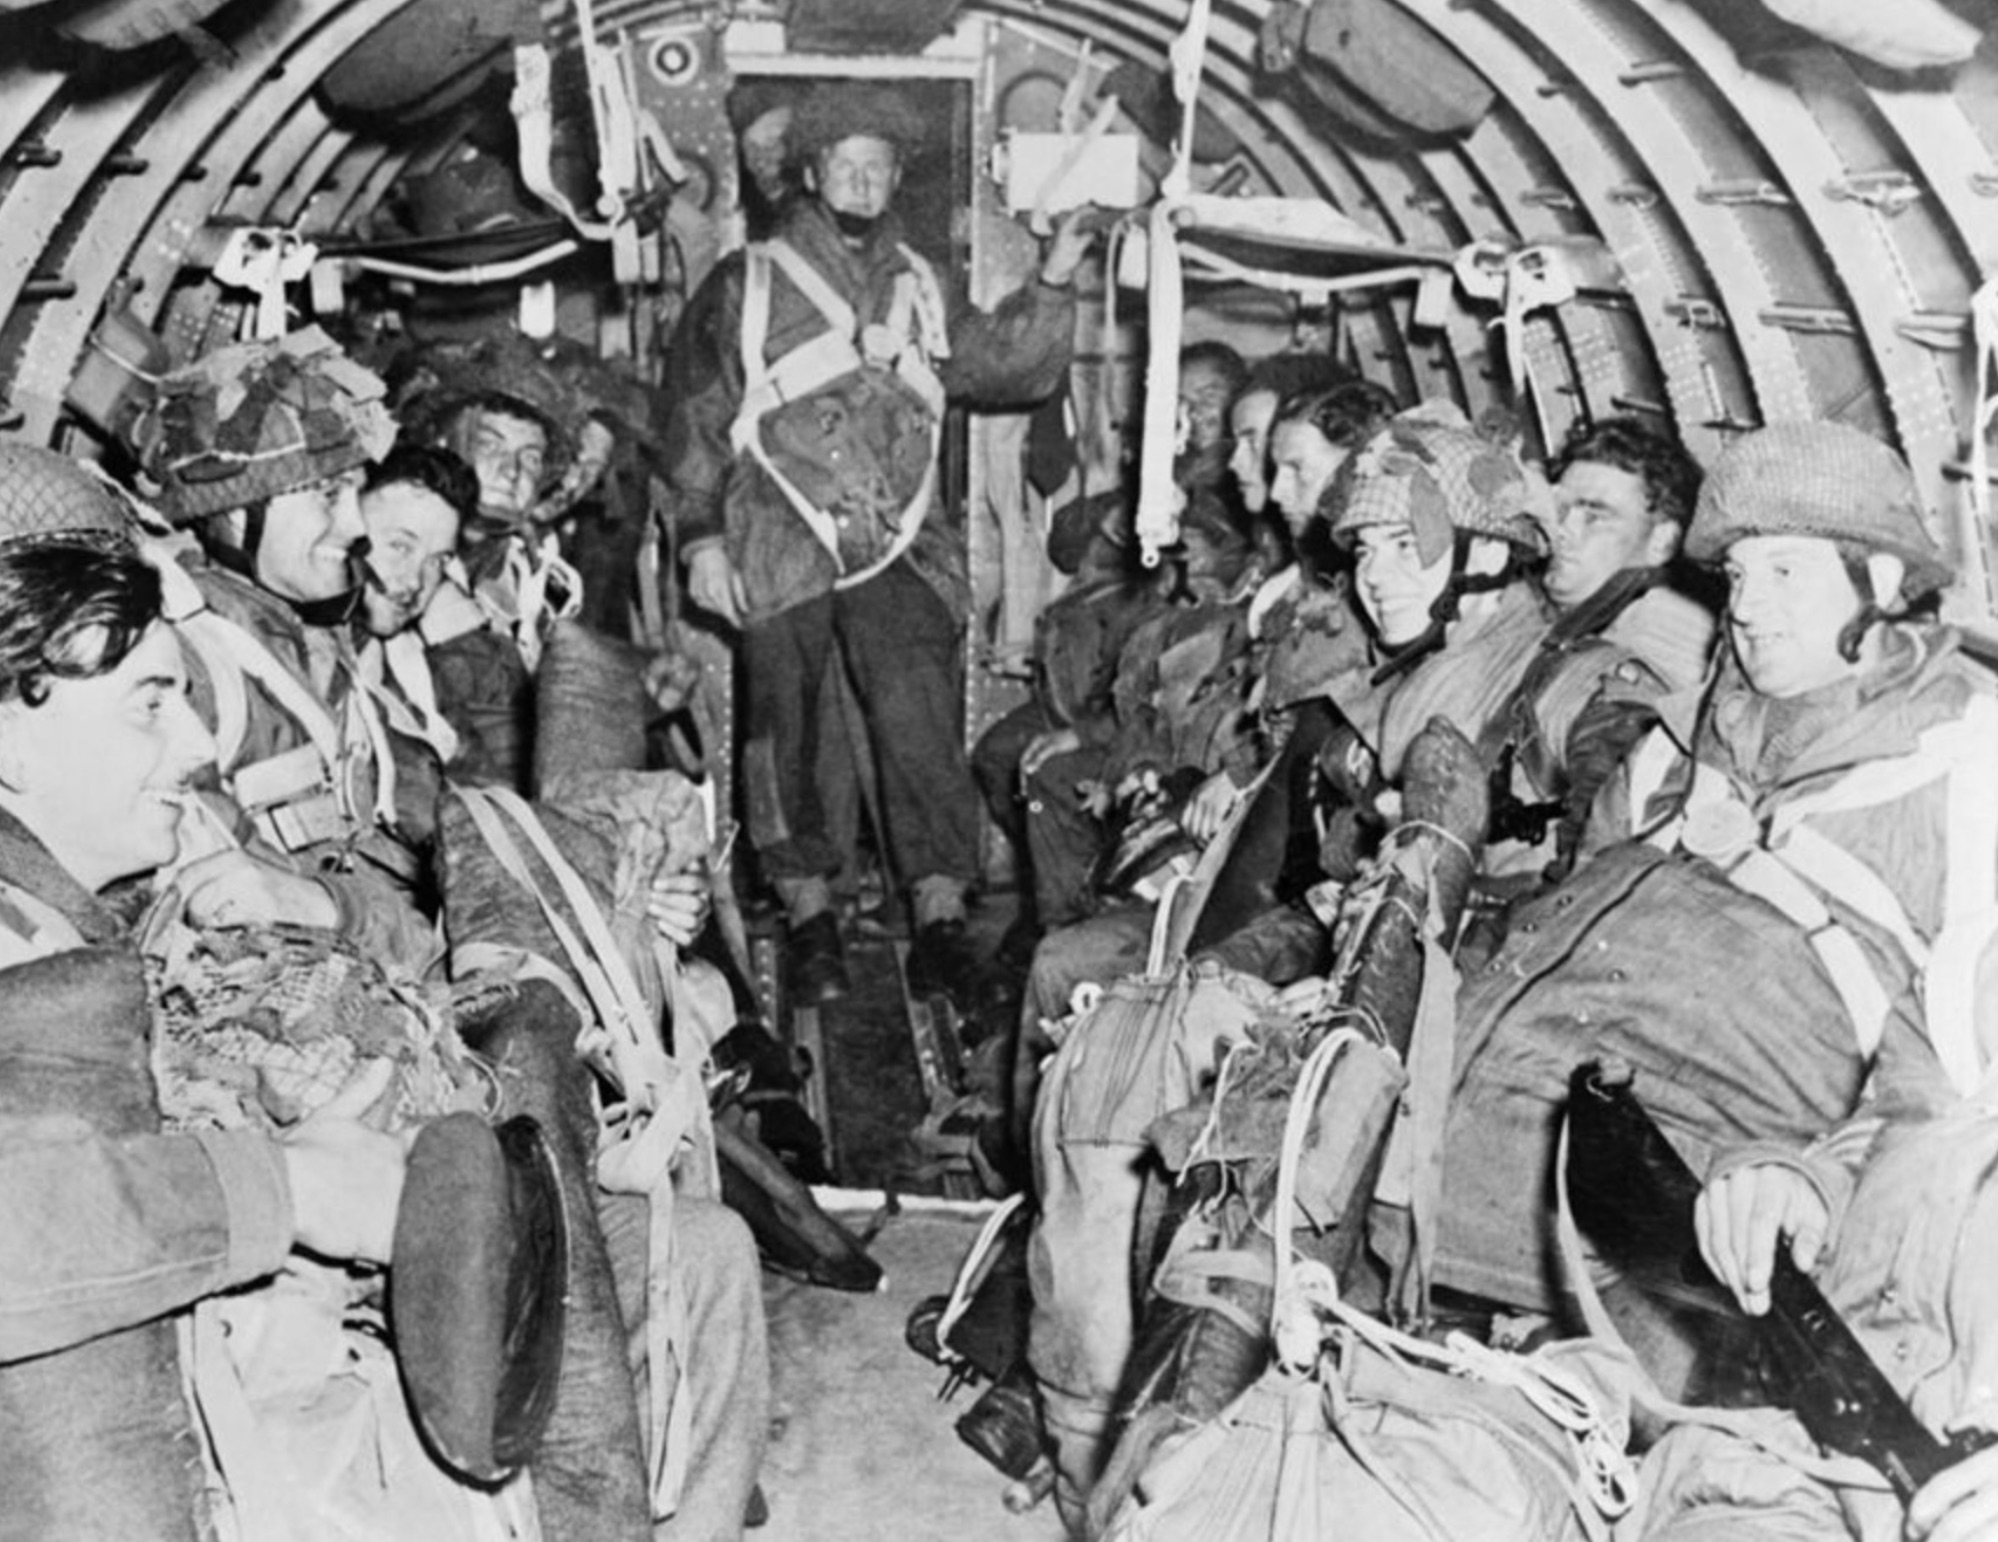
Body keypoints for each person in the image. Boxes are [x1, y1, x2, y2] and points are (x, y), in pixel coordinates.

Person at [1433, 422, 1997, 1355]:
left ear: (1882, 580)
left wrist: (1808, 1178)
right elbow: (1549, 922)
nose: (1747, 607)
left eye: (1786, 571)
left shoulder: (1966, 764)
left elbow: (1954, 1097)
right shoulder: (1681, 743)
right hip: (1458, 1134)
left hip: (1653, 1226)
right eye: (1736, 575)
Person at [0, 464, 440, 1539]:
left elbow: (409, 933)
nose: (199, 746)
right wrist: (286, 1188)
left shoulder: (123, 870)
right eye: (151, 704)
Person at [662, 80, 1098, 1009]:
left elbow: (1001, 366)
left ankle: (938, 916)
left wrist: (1054, 278)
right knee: (783, 723)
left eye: (878, 166)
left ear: (896, 177)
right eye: (845, 164)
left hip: (899, 536)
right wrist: (701, 540)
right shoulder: (748, 281)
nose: (862, 181)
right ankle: (809, 914)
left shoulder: (920, 284)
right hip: (779, 527)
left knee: (917, 713)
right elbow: (695, 414)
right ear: (811, 174)